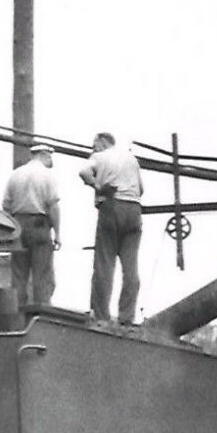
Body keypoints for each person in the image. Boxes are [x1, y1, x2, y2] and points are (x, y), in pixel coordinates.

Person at [78, 132, 143, 325]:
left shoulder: (99, 156)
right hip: (134, 210)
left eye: (94, 144)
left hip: (112, 206)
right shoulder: (131, 159)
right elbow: (142, 189)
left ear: (103, 142)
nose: (93, 149)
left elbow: (83, 172)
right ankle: (126, 317)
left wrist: (97, 186)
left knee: (104, 264)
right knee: (131, 267)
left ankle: (101, 316)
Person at [0, 142, 60, 307]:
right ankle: (41, 312)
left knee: (18, 274)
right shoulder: (46, 175)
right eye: (50, 156)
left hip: (17, 225)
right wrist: (57, 233)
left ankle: (17, 312)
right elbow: (53, 206)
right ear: (44, 154)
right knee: (42, 275)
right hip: (39, 225)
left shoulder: (15, 175)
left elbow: (6, 206)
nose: (51, 160)